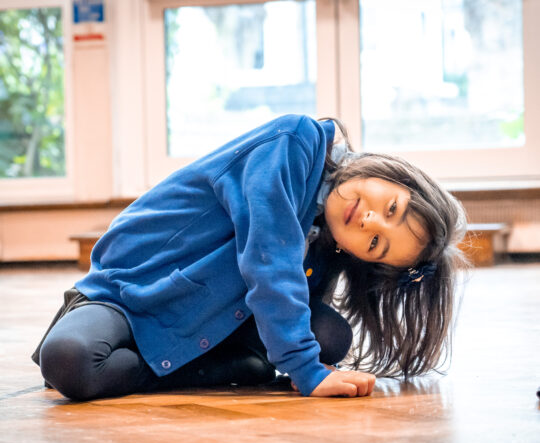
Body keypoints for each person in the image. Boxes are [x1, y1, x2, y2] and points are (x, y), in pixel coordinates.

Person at [32, 114, 468, 401]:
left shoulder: (329, 240)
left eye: (376, 244)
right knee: (68, 359)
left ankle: (221, 363)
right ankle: (229, 368)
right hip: (132, 291)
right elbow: (269, 260)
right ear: (389, 173)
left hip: (214, 319)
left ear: (362, 259)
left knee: (330, 338)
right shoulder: (294, 143)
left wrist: (308, 356)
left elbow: (290, 299)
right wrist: (305, 371)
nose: (370, 221)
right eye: (390, 207)